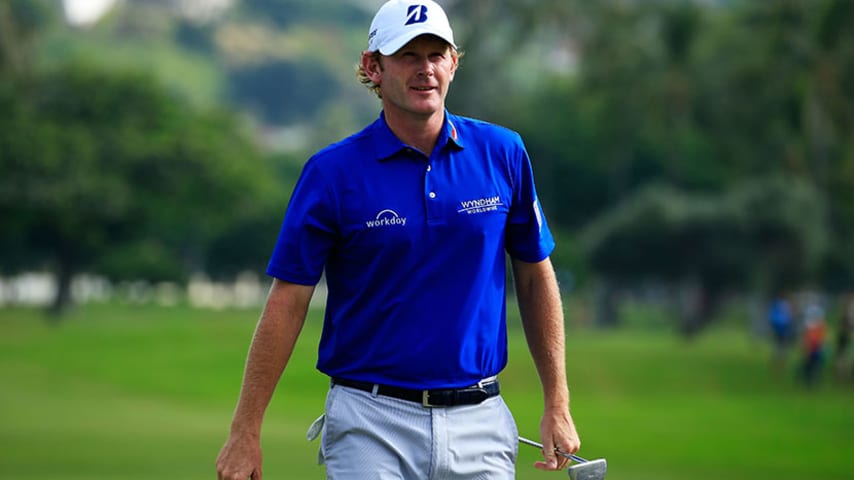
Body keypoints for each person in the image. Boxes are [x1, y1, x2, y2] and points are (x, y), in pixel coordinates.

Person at [216, 1, 581, 478]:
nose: (425, 69)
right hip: (370, 421)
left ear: (453, 62)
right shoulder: (332, 172)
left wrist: (558, 400)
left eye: (436, 54)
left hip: (481, 418)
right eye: (408, 56)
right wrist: (245, 429)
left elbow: (535, 276)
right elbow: (289, 300)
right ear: (373, 67)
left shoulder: (503, 153)